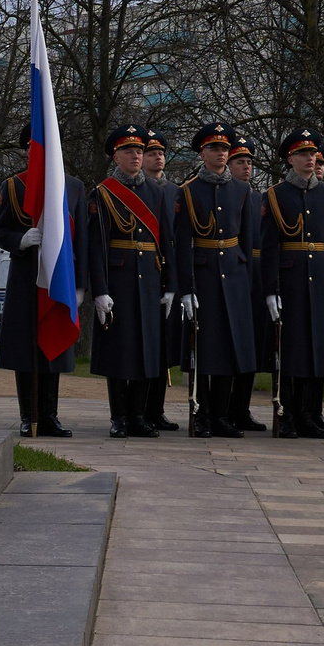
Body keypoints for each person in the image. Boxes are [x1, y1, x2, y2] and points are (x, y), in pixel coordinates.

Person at [0, 122, 89, 438]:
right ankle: (28, 415)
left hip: (60, 277)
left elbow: (84, 242)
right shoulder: (14, 186)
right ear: (27, 150)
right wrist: (20, 240)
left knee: (55, 345)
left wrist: (81, 286)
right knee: (26, 351)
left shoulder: (74, 187)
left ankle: (49, 415)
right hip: (26, 278)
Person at [175, 125, 257, 438]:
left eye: (225, 148)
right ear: (202, 154)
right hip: (204, 276)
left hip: (234, 277)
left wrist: (246, 281)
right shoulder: (189, 190)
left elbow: (247, 240)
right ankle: (202, 414)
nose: (221, 153)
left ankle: (222, 416)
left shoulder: (242, 190)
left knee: (230, 349)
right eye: (214, 148)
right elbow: (182, 243)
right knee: (205, 351)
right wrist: (186, 289)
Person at [256, 126, 324, 439]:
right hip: (289, 282)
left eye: (312, 153)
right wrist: (271, 290)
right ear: (290, 159)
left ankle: (309, 414)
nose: (309, 158)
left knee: (317, 350)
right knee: (290, 351)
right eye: (303, 154)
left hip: (320, 280)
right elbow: (269, 246)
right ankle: (287, 413)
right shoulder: (275, 196)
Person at [89, 125, 167, 438]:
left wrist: (171, 285)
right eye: (128, 151)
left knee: (147, 349)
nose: (136, 156)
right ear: (116, 156)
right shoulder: (102, 192)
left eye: (139, 150)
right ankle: (119, 417)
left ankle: (138, 416)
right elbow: (96, 246)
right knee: (120, 350)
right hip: (119, 279)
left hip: (149, 278)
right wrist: (100, 290)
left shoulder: (156, 192)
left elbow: (167, 243)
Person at [222, 133, 271, 431]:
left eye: (250, 161)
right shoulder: (230, 193)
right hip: (236, 270)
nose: (246, 166)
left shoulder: (257, 198)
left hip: (256, 274)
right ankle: (224, 407)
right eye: (239, 161)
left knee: (250, 347)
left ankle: (242, 407)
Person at [140, 128, 183, 433]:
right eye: (152, 153)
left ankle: (157, 408)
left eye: (161, 153)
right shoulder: (133, 191)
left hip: (168, 274)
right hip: (142, 272)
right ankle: (140, 409)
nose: (158, 158)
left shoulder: (175, 192)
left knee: (164, 348)